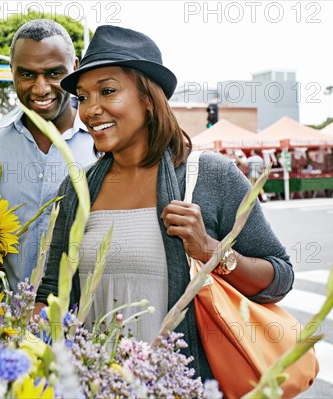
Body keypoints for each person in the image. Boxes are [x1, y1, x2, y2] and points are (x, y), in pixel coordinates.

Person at [35, 25, 294, 381]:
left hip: (181, 384)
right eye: (83, 97)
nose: (91, 110)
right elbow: (52, 290)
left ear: (147, 97)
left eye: (107, 91)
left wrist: (209, 250)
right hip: (95, 383)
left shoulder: (211, 176)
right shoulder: (79, 188)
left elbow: (279, 277)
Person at [0, 19, 96, 291]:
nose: (41, 89)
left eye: (54, 74)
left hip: (86, 326)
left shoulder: (102, 145)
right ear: (12, 72)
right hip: (6, 325)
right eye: (27, 75)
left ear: (75, 68)